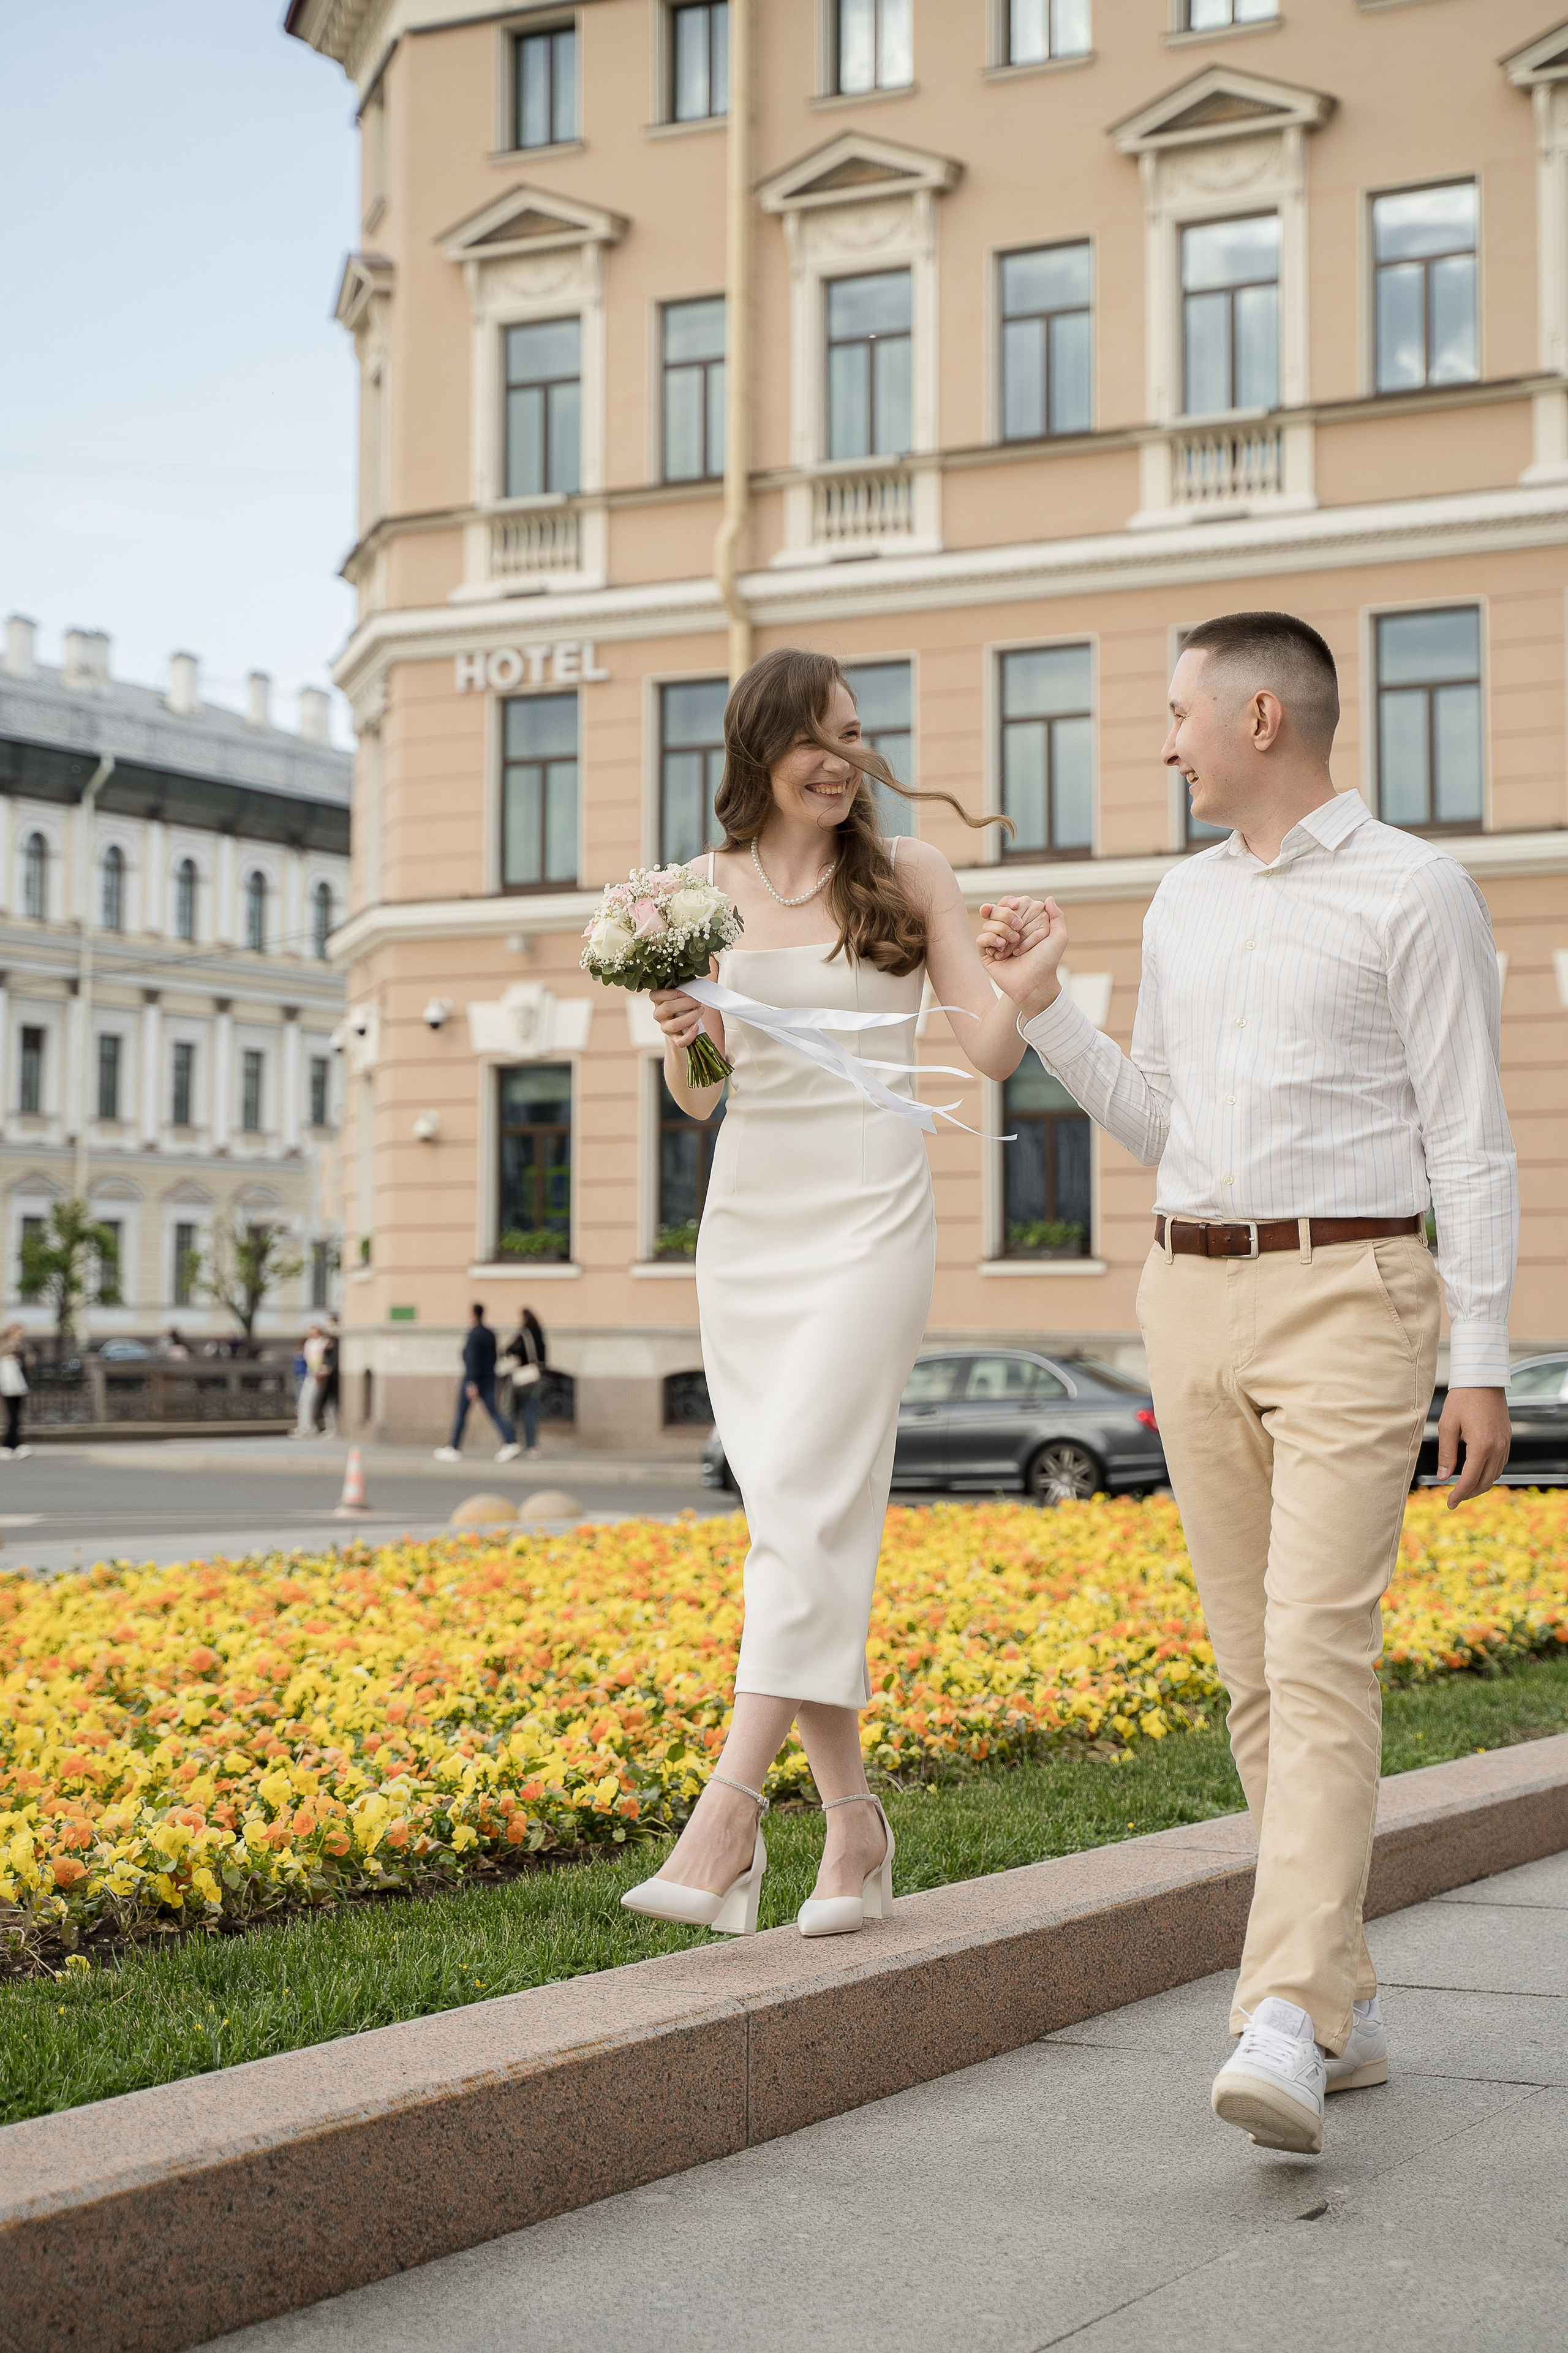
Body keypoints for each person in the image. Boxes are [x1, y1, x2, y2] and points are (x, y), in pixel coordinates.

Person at [979, 610, 1517, 2159]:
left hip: (1351, 1291)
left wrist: (1472, 1354)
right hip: (1188, 1288)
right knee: (1248, 1672)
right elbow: (1160, 1121)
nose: (1158, 741)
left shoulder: (1412, 887)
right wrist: (1047, 1009)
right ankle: (1339, 1993)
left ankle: (1279, 2011)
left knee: (1316, 1649)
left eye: (1172, 713)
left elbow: (1469, 1140)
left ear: (1260, 716)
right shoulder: (1179, 899)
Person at [620, 646, 1045, 1941]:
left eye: (856, 736)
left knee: (801, 1499)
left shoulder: (908, 871)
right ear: (756, 746)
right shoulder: (688, 895)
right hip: (750, 1223)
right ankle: (852, 1829)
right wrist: (684, 1039)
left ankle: (726, 1819)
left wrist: (1027, 979)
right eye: (816, 736)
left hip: (871, 1215)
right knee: (794, 1517)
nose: (841, 760)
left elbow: (981, 1047)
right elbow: (699, 1098)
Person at [434, 1303, 521, 1463]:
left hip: (473, 1379)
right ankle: (510, 1442)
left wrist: (472, 1382)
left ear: (474, 1315)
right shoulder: (490, 1333)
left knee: (461, 1413)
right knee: (494, 1411)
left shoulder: (474, 1334)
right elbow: (495, 1356)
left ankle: (453, 1448)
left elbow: (472, 1359)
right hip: (489, 1378)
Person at [503, 1306, 547, 1457]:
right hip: (536, 1375)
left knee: (509, 1408)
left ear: (525, 1318)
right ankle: (532, 1446)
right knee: (531, 1410)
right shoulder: (540, 1332)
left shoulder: (524, 1333)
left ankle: (512, 1441)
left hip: (522, 1376)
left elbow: (511, 1349)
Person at [0, 1324, 32, 1459]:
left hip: (20, 1384)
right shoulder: (6, 1344)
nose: (20, 1335)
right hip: (8, 1385)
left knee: (17, 1417)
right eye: (18, 1333)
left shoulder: (23, 1345)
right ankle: (10, 1446)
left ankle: (13, 1445)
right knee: (14, 1417)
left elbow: (29, 1360)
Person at [295, 1323, 325, 1436]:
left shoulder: (323, 1342)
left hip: (320, 1375)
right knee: (304, 1401)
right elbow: (309, 1359)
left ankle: (312, 1426)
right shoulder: (309, 1343)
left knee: (314, 1401)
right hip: (310, 1374)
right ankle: (303, 1426)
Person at [312, 1315, 340, 1436]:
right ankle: (323, 1427)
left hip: (335, 1377)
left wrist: (330, 1368)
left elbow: (337, 1358)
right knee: (322, 1403)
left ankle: (334, 1428)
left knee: (333, 1404)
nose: (330, 1327)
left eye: (332, 1324)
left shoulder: (339, 1341)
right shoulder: (328, 1340)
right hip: (327, 1377)